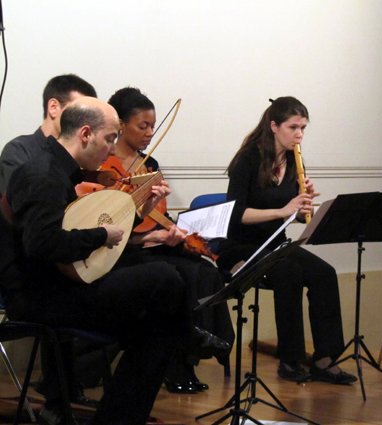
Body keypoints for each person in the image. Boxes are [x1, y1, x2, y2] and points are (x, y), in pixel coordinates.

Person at [3, 96, 229, 424]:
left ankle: (119, 416)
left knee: (157, 330)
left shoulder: (58, 171)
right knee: (164, 276)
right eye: (109, 138)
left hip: (64, 284)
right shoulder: (41, 174)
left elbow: (84, 238)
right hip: (42, 297)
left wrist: (138, 214)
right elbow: (43, 245)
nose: (112, 149)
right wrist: (100, 236)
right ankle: (187, 332)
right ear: (85, 134)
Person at [217, 96, 356, 385]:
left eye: (303, 128)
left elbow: (300, 218)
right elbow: (235, 214)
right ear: (274, 126)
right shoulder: (248, 160)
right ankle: (290, 360)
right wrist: (283, 210)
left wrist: (306, 205)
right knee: (289, 273)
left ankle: (325, 359)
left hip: (275, 242)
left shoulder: (294, 161)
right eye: (293, 127)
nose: (299, 135)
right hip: (242, 245)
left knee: (324, 274)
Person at [105, 86, 234, 393]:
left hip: (154, 242)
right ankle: (176, 363)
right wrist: (152, 235)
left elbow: (156, 215)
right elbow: (115, 221)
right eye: (143, 126)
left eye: (153, 126)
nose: (150, 133)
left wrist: (173, 231)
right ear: (121, 125)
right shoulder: (104, 167)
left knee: (205, 269)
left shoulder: (149, 165)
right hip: (125, 249)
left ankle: (197, 353)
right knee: (182, 273)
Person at [0, 74, 103, 416]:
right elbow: (27, 213)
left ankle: (70, 390)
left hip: (64, 253)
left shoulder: (77, 159)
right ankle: (60, 396)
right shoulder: (22, 152)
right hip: (31, 261)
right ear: (54, 107)